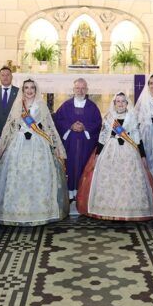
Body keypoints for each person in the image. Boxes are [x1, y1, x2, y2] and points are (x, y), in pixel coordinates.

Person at [0, 79, 67, 226]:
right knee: (17, 175)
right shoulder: (18, 105)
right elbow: (10, 126)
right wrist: (3, 145)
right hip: (18, 143)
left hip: (38, 143)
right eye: (26, 88)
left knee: (38, 176)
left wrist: (56, 146)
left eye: (32, 88)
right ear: (23, 90)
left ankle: (40, 211)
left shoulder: (41, 105)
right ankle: (16, 212)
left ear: (36, 90)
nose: (29, 90)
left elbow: (49, 126)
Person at [77, 93, 153, 221]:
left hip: (129, 152)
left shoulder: (132, 117)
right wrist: (97, 154)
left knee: (127, 180)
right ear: (114, 103)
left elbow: (137, 138)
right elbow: (102, 137)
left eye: (123, 101)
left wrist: (142, 155)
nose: (120, 104)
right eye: (118, 101)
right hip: (110, 151)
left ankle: (127, 210)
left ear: (127, 103)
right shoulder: (109, 117)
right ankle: (109, 209)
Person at [52, 78, 102, 208]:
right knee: (69, 167)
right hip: (70, 144)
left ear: (87, 90)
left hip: (86, 144)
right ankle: (69, 195)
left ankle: (82, 196)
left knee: (84, 167)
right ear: (73, 89)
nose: (80, 91)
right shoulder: (66, 105)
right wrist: (70, 126)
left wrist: (85, 127)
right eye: (77, 88)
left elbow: (98, 123)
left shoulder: (93, 107)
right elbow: (58, 120)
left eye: (83, 88)